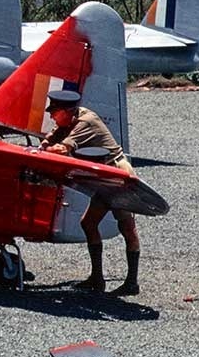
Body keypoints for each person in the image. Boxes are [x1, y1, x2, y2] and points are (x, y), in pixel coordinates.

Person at [40, 89, 142, 296]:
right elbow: (51, 138)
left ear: (67, 110)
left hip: (117, 175)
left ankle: (132, 283)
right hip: (103, 178)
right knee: (88, 223)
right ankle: (97, 279)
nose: (51, 115)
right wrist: (44, 145)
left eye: (55, 112)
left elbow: (61, 149)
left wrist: (46, 150)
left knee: (127, 228)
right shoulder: (70, 119)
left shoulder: (85, 122)